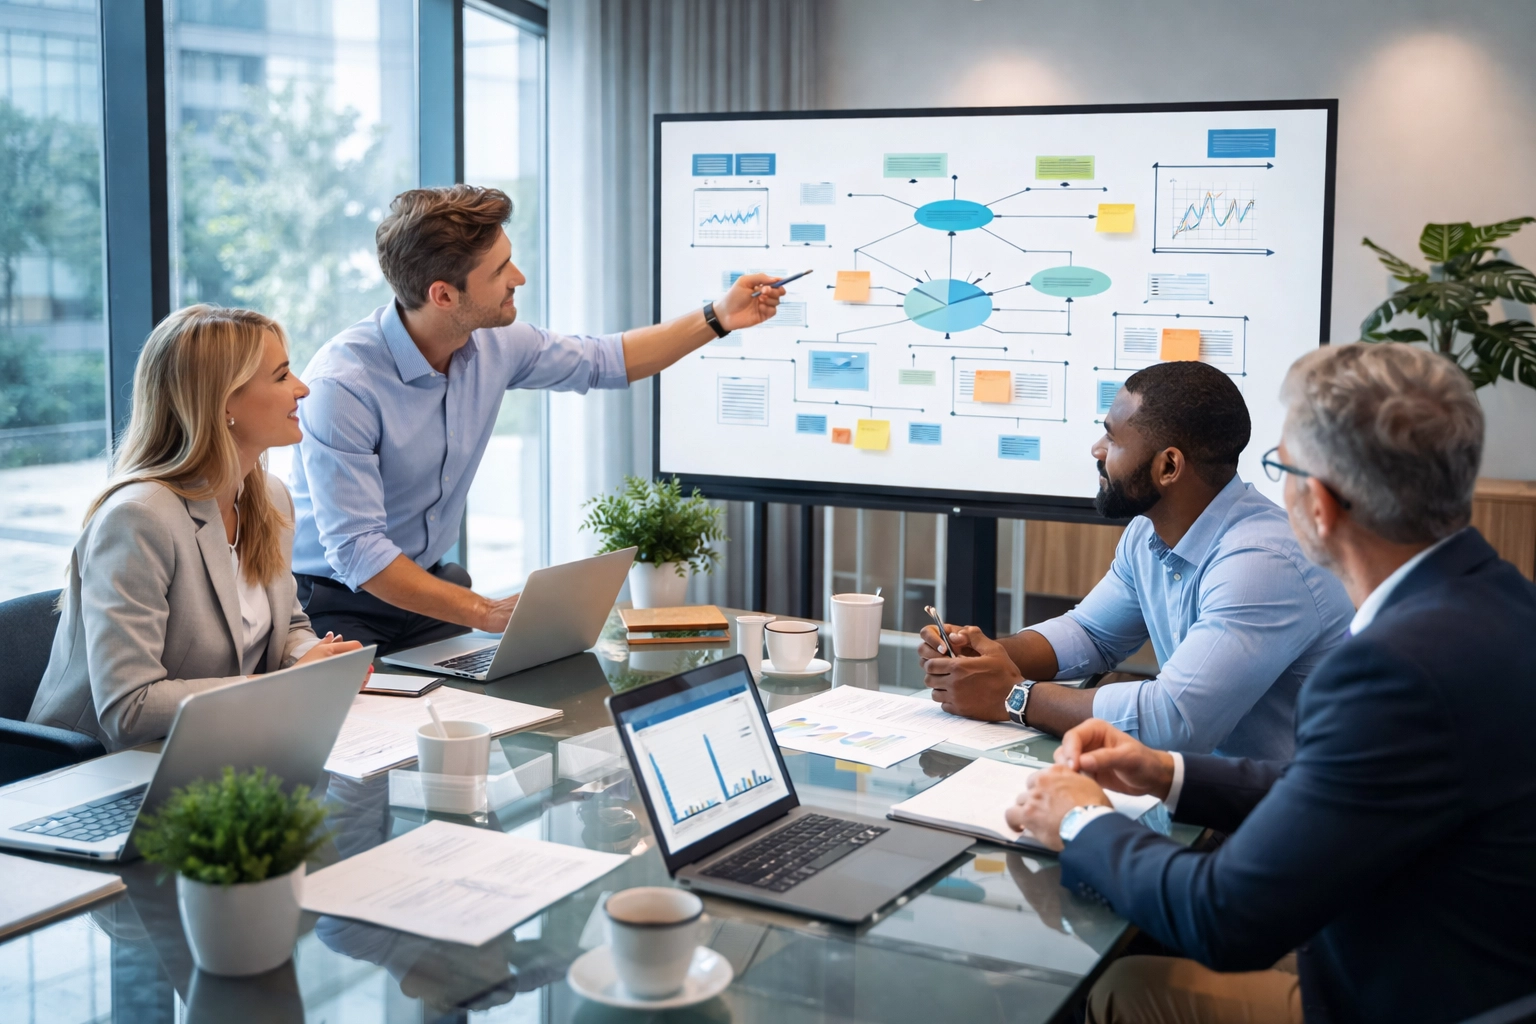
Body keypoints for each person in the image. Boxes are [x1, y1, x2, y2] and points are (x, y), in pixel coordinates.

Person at [1012, 342, 1536, 1023]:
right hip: (1466, 964)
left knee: (1118, 988)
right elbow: (1338, 786)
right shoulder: (1501, 602)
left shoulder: (1392, 670)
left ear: (1319, 503)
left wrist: (1079, 820)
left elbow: (1224, 917)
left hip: (1385, 993)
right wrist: (1166, 771)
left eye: (1280, 468)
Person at [289, 184, 785, 652]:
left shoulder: (494, 344)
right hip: (337, 606)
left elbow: (607, 360)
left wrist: (719, 316)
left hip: (431, 589)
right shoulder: (342, 387)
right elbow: (359, 552)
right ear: (443, 295)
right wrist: (484, 612)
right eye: (500, 269)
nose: (518, 277)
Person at [920, 361, 1353, 760]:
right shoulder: (1149, 531)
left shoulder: (1262, 563)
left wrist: (1013, 697)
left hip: (1289, 815)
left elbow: (1174, 722)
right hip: (1211, 793)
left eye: (1112, 437)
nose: (1097, 450)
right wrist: (984, 656)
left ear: (1168, 467)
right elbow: (1090, 634)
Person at [28, 306, 363, 751]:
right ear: (225, 402)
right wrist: (275, 689)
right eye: (282, 376)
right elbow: (129, 708)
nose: (301, 388)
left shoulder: (270, 497)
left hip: (214, 743)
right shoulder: (139, 519)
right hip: (100, 767)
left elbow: (289, 624)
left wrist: (313, 659)